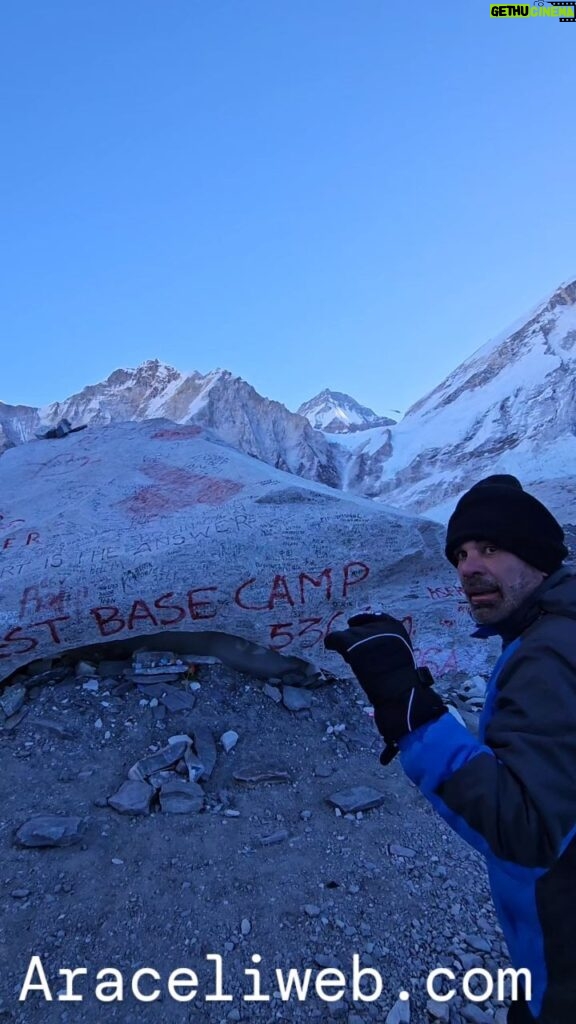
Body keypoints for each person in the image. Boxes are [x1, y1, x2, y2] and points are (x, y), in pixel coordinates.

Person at [324, 475, 576, 1024]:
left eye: (490, 547)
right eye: (460, 554)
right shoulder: (551, 634)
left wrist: (411, 712)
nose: (467, 567)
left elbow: (527, 831)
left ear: (535, 554)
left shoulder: (549, 656)